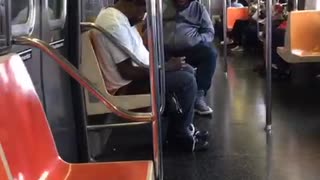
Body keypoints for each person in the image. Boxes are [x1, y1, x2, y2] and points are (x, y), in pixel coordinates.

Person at [94, 0, 209, 152]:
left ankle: (180, 129)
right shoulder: (114, 23)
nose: (143, 17)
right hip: (128, 84)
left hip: (140, 75)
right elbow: (127, 71)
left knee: (186, 70)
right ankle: (180, 137)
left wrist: (165, 67)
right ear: (131, 3)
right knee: (186, 81)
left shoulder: (118, 17)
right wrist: (166, 67)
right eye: (143, 10)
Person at [163, 0, 217, 115]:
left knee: (210, 54)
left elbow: (209, 32)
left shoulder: (199, 8)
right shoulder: (161, 5)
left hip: (190, 49)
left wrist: (197, 40)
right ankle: (163, 98)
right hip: (164, 49)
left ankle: (199, 95)